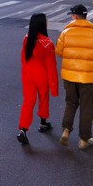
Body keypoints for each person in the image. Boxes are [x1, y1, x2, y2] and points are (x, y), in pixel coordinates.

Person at [55, 4, 93, 150]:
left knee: (71, 103)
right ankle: (84, 139)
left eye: (71, 15)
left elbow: (59, 52)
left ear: (75, 16)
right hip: (87, 79)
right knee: (86, 107)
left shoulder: (65, 32)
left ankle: (66, 130)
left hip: (69, 76)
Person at [17, 13, 59, 145]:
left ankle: (23, 129)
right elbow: (51, 66)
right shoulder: (47, 43)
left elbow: (23, 59)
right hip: (42, 76)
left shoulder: (26, 38)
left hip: (28, 76)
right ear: (42, 24)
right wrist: (54, 87)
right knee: (43, 99)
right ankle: (43, 123)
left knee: (28, 102)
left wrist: (25, 73)